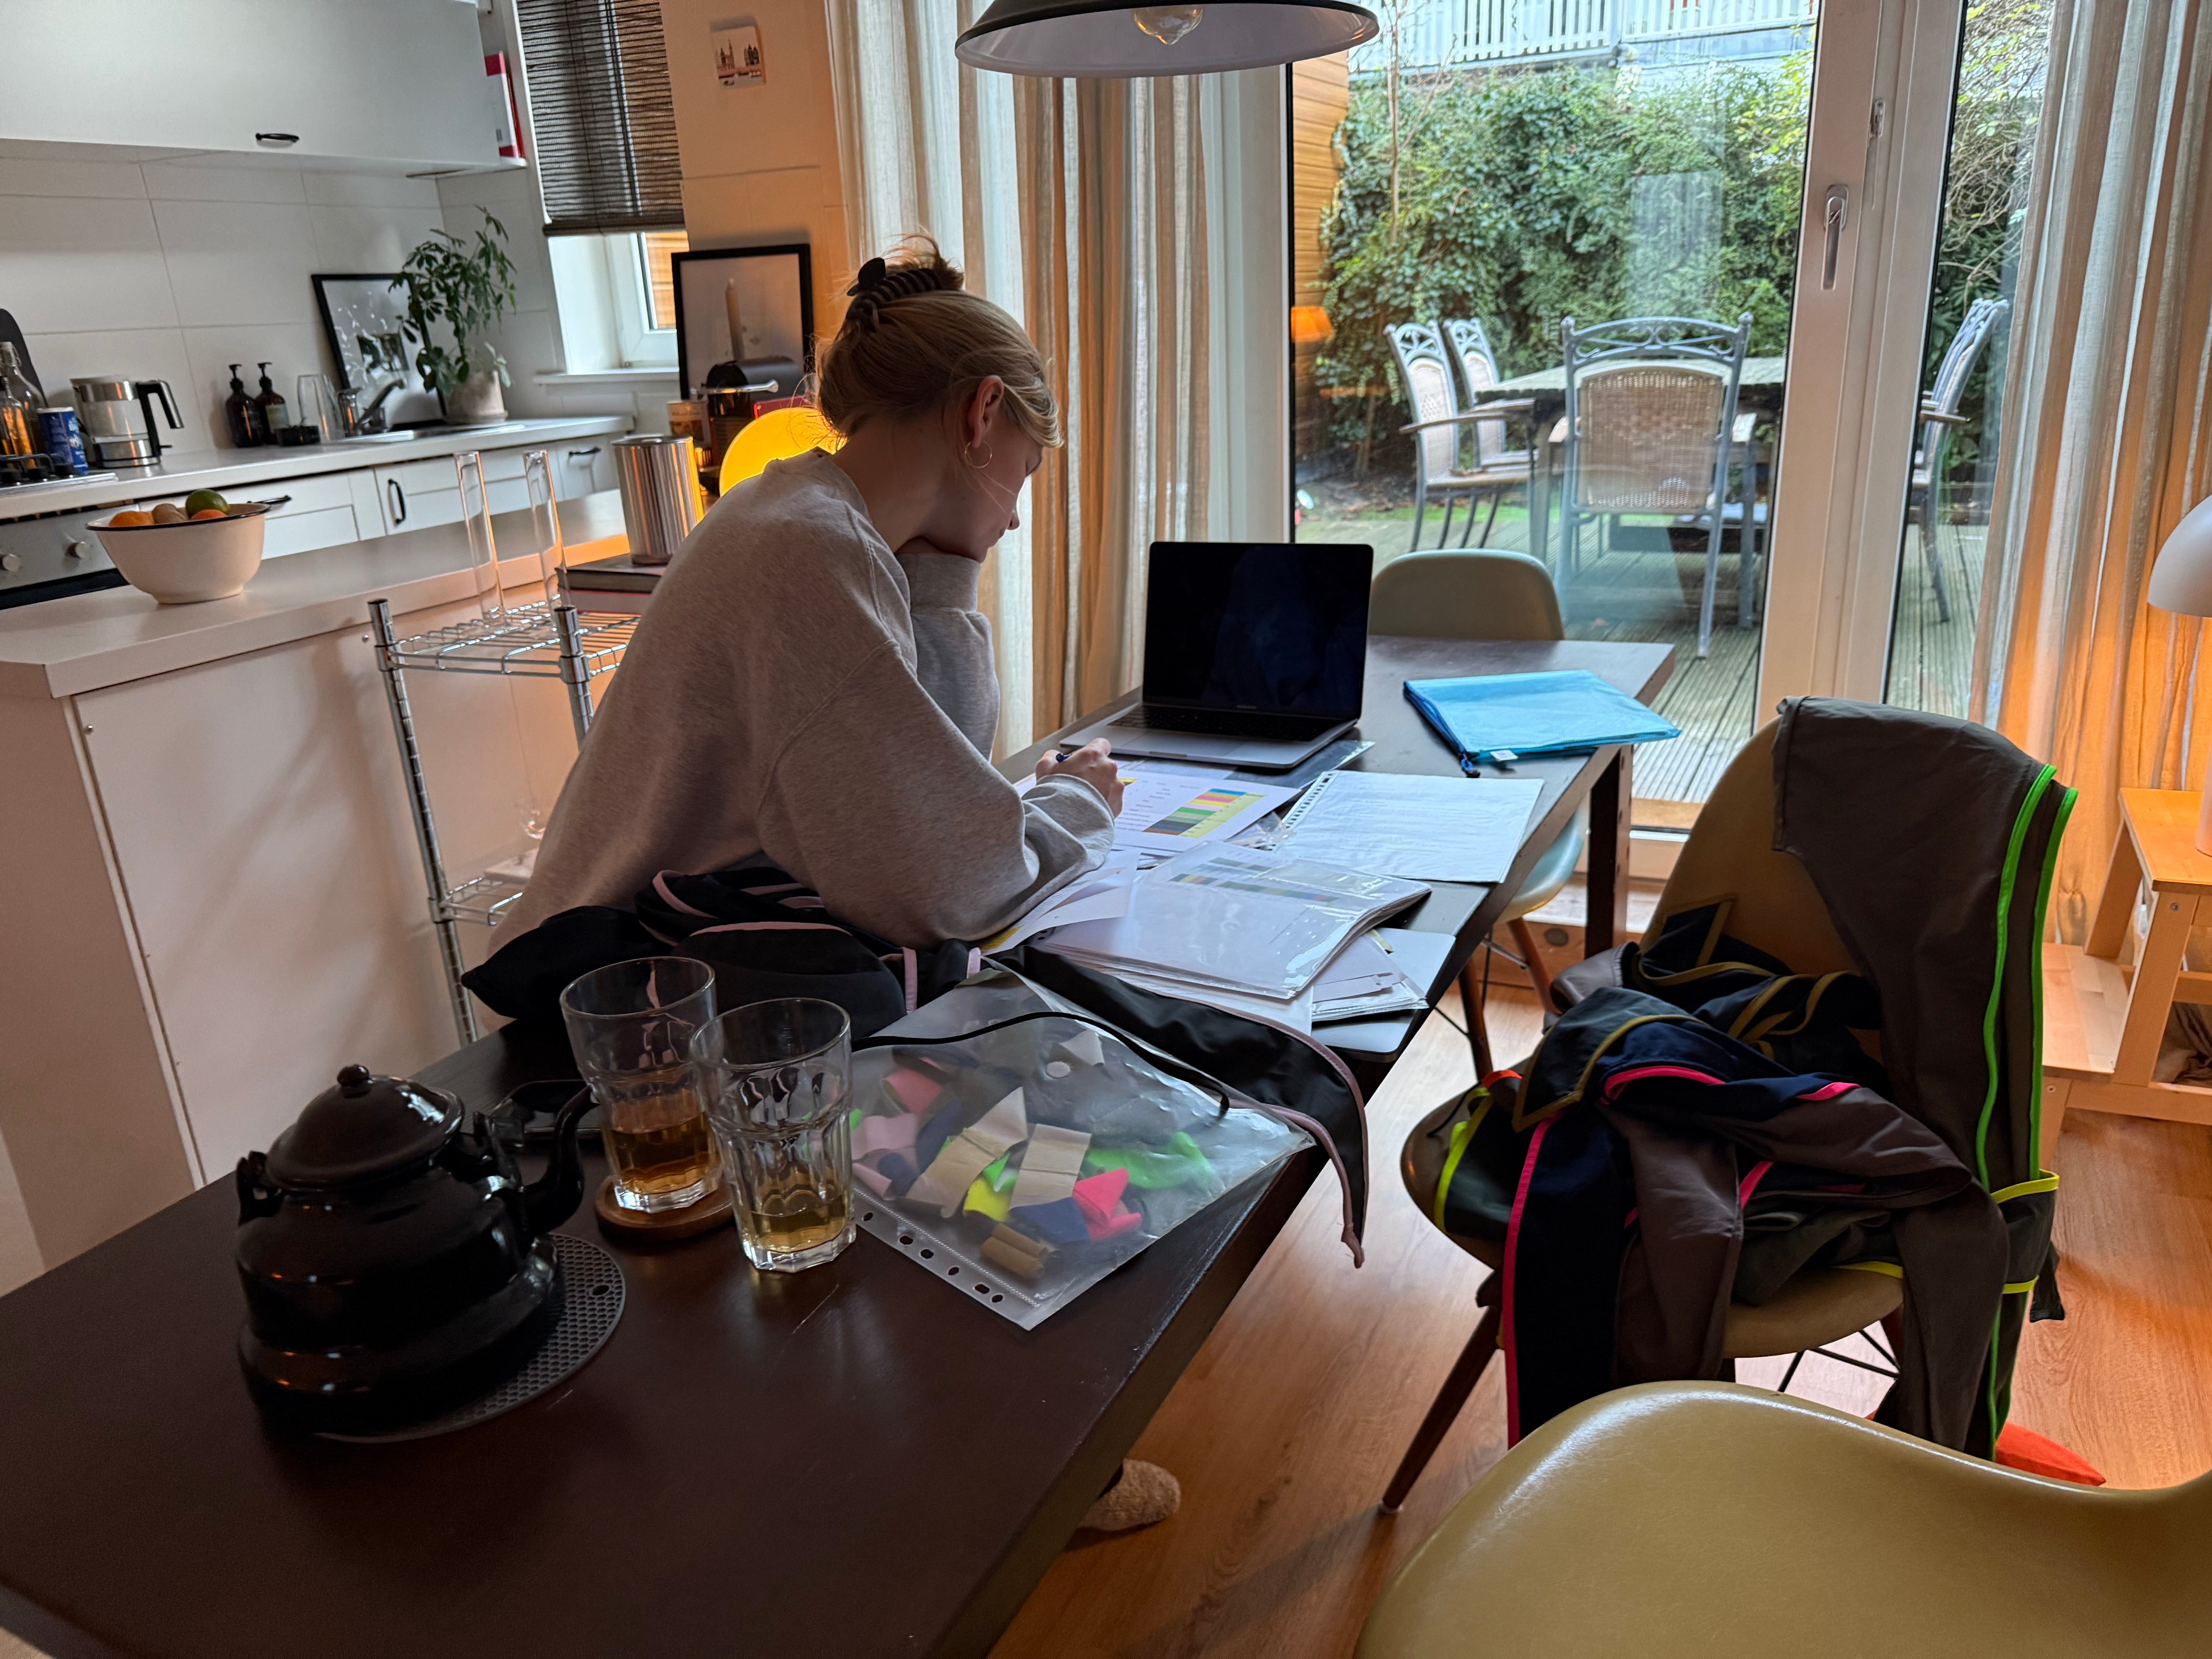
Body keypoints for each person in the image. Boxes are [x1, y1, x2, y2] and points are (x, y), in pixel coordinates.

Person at [499, 242, 1178, 1533]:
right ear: (982, 413)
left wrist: (946, 558)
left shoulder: (822, 522)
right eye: (1027, 471)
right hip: (629, 1013)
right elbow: (944, 875)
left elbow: (932, 771)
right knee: (1037, 1098)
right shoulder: (802, 553)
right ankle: (1015, 1478)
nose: (1019, 514)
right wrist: (1080, 810)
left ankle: (996, 1453)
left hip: (700, 959)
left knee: (1009, 1050)